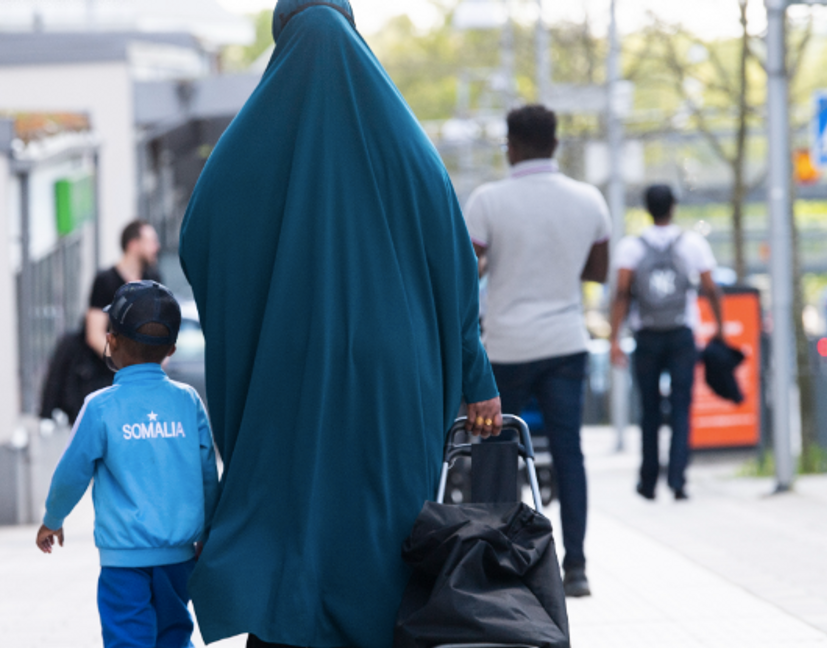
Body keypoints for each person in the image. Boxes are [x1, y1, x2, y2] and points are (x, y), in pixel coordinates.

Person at [177, 2, 502, 647]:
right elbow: (456, 267)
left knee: (289, 507)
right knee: (383, 520)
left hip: (284, 371)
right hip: (394, 379)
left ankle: (286, 631)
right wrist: (477, 377)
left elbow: (200, 240)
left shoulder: (245, 149)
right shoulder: (409, 147)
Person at [464, 104, 610, 598]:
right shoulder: (588, 199)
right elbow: (597, 271)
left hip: (506, 347)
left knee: (494, 453)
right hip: (567, 343)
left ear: (513, 144)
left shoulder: (489, 200)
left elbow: (466, 271)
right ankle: (577, 566)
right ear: (555, 142)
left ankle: (496, 564)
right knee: (569, 453)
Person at [36, 281, 219, 648]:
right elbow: (207, 476)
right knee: (174, 636)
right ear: (171, 350)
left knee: (128, 640)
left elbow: (71, 474)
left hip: (124, 564)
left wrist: (52, 520)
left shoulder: (100, 408)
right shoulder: (188, 402)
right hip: (179, 559)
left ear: (112, 341)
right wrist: (209, 532)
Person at [609, 184, 724, 502]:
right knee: (681, 408)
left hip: (645, 334)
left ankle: (647, 482)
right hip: (681, 335)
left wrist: (614, 339)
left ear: (647, 207)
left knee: (648, 409)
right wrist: (720, 328)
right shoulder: (692, 244)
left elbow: (620, 293)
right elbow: (711, 288)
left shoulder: (631, 247)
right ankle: (677, 480)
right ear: (673, 206)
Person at [86, 220, 162, 357]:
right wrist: (124, 362)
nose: (156, 247)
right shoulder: (105, 280)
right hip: (110, 371)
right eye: (151, 242)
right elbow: (95, 334)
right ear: (133, 245)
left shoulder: (153, 278)